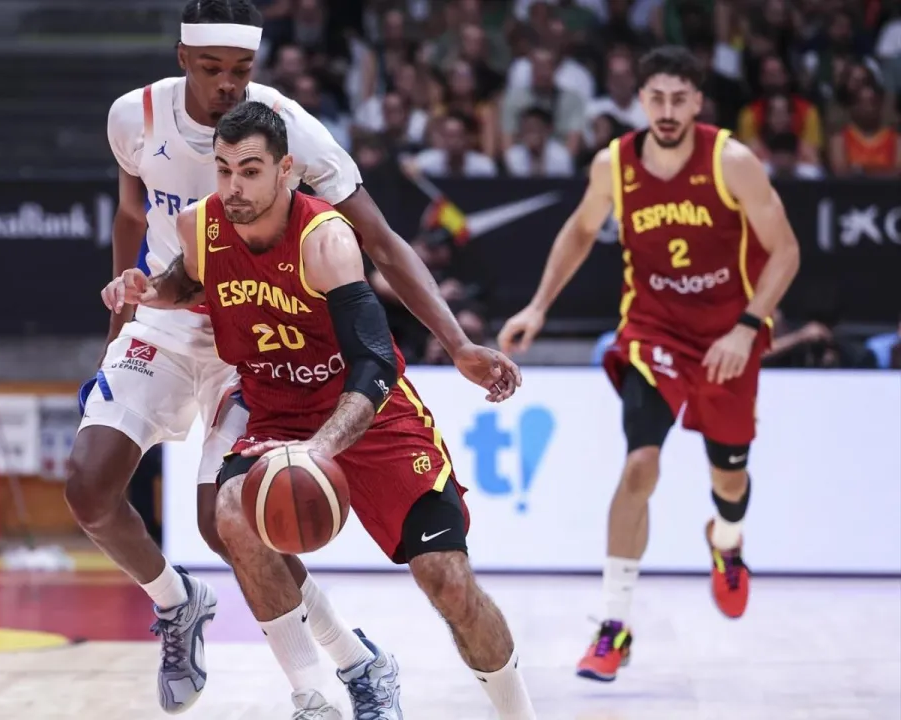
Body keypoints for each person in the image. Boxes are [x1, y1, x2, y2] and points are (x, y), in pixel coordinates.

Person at [71, 0, 519, 714]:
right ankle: (180, 605)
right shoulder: (134, 118)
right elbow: (132, 215)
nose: (229, 86)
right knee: (90, 491)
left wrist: (456, 340)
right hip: (167, 311)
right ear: (184, 60)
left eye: (242, 71)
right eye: (214, 69)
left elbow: (383, 241)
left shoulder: (290, 131)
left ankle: (340, 673)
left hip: (246, 333)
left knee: (236, 522)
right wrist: (128, 310)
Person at [497, 46, 801, 683]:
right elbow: (581, 231)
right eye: (655, 98)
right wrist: (537, 306)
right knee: (641, 464)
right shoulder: (616, 164)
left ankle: (726, 541)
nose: (666, 111)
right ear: (642, 101)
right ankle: (615, 624)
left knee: (731, 483)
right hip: (653, 330)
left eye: (679, 99)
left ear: (697, 102)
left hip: (728, 336)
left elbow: (786, 252)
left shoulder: (732, 161)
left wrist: (748, 329)